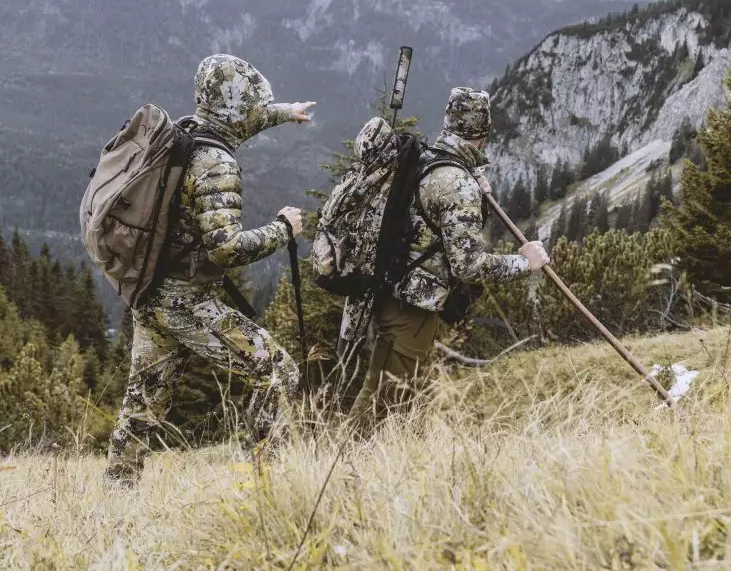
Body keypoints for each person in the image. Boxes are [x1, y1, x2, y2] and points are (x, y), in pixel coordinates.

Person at [106, 54, 315, 484]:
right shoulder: (216, 164)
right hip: (188, 303)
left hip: (151, 294)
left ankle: (115, 493)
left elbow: (240, 120)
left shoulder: (187, 133)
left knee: (143, 404)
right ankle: (264, 480)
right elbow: (226, 250)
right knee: (278, 372)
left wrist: (285, 113)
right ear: (235, 108)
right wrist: (283, 230)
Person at [350, 86, 550, 422]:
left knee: (394, 395)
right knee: (385, 403)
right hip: (410, 309)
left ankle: (377, 462)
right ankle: (346, 466)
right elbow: (469, 266)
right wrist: (524, 263)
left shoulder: (429, 158)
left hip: (395, 292)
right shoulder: (457, 181)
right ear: (483, 132)